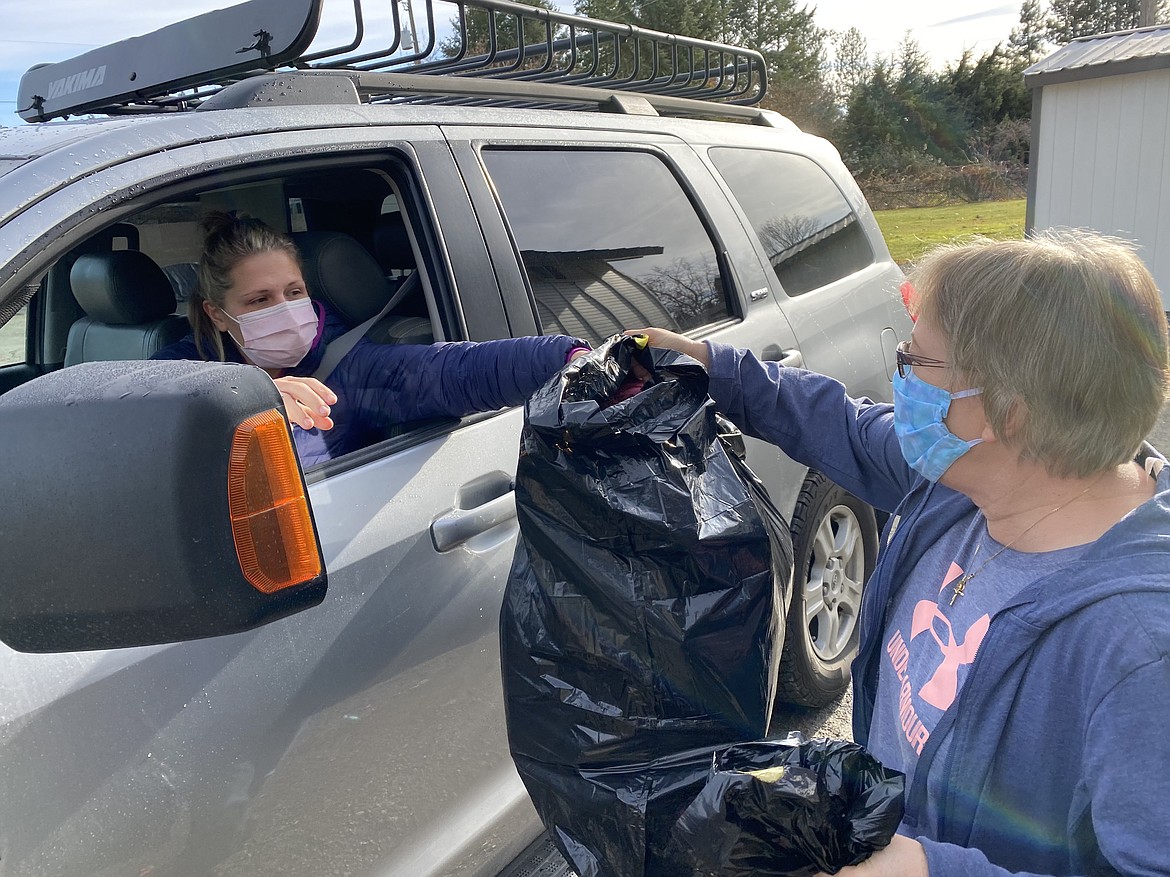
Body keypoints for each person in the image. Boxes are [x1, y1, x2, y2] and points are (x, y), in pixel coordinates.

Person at [630, 229, 1170, 877]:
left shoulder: (1140, 647)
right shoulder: (965, 481)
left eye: (916, 363)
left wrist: (932, 870)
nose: (899, 376)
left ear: (1010, 412)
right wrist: (714, 367)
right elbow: (843, 425)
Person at [154, 212, 588, 466]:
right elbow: (122, 405)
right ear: (218, 314)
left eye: (294, 292)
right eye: (259, 300)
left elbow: (456, 371)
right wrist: (242, 397)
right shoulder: (185, 364)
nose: (284, 310)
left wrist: (579, 356)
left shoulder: (348, 366)